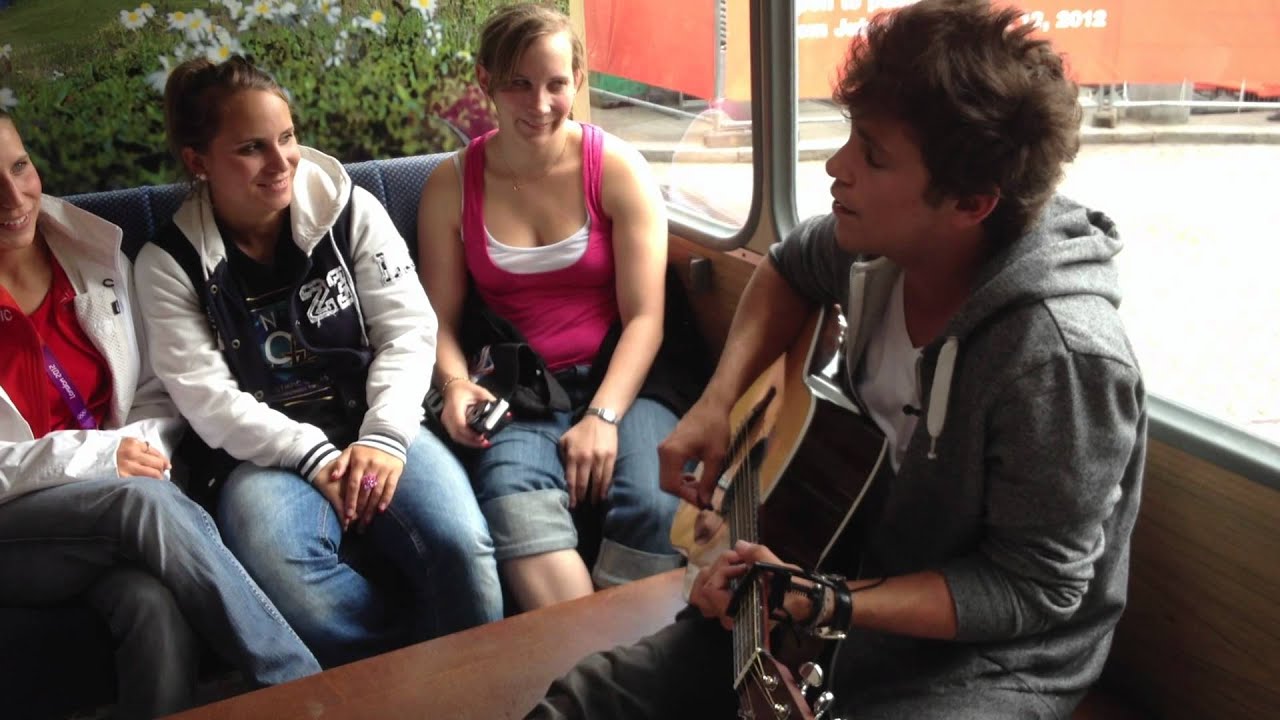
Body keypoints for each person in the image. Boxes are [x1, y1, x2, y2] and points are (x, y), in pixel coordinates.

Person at [528, 1, 1147, 718]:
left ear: (971, 203)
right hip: (835, 572)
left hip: (987, 657)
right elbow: (789, 267)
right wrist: (717, 404)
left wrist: (824, 602)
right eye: (853, 136)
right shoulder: (877, 242)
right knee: (586, 699)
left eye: (873, 156)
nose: (835, 166)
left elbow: (1031, 588)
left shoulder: (1059, 358)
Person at [133, 56, 502, 668]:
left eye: (286, 138)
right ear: (199, 162)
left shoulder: (349, 210)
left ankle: (472, 689)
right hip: (263, 457)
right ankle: (399, 693)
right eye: (252, 148)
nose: (281, 163)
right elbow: (208, 401)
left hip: (375, 421)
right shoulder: (167, 263)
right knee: (290, 578)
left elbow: (408, 330)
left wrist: (383, 438)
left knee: (461, 546)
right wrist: (314, 457)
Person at [0, 108, 320, 719]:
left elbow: (152, 392)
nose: (13, 196)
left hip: (107, 508)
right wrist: (98, 459)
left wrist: (139, 453)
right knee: (140, 504)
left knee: (151, 604)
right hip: (20, 522)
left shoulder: (92, 258)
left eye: (20, 167)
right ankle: (307, 692)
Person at [418, 2, 683, 612]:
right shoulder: (450, 185)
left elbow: (646, 317)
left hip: (624, 378)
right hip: (518, 388)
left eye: (556, 84)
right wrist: (455, 384)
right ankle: (588, 668)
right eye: (518, 83)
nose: (539, 103)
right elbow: (439, 320)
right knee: (515, 505)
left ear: (578, 83)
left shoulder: (617, 169)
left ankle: (630, 667)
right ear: (486, 82)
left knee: (656, 501)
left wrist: (606, 418)